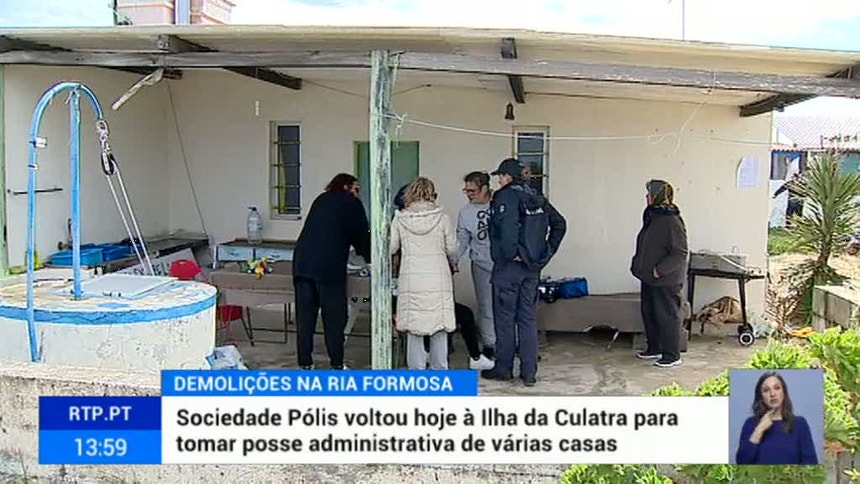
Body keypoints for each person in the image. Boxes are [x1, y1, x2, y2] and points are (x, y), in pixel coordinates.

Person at [481, 158, 566, 386]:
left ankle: (504, 368)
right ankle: (529, 372)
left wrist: (512, 254)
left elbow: (508, 230)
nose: (499, 180)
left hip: (509, 268)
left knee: (505, 320)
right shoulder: (536, 196)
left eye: (501, 176)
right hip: (531, 269)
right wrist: (543, 254)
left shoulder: (506, 196)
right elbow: (560, 224)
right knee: (527, 319)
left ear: (508, 177)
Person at [292, 173, 370, 370]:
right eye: (356, 188)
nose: (358, 192)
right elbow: (361, 236)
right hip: (329, 267)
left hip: (302, 264)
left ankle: (305, 363)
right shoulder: (352, 204)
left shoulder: (321, 199)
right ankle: (336, 364)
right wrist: (372, 258)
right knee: (334, 318)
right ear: (346, 187)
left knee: (305, 318)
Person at [390, 177, 458, 369]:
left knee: (414, 327)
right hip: (438, 278)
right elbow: (452, 249)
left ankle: (416, 371)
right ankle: (440, 370)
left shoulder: (400, 219)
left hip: (412, 278)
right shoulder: (443, 218)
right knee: (439, 326)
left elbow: (391, 247)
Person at [630, 179, 689, 368]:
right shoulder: (652, 215)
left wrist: (659, 270)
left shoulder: (671, 220)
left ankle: (671, 355)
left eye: (650, 194)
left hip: (665, 279)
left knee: (667, 316)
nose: (647, 196)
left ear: (658, 196)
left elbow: (680, 253)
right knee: (650, 314)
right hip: (649, 277)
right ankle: (654, 348)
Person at [454, 171, 496, 360]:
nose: (469, 194)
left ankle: (514, 343)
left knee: (509, 306)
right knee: (486, 307)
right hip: (481, 264)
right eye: (467, 191)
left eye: (473, 191)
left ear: (485, 188)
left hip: (506, 266)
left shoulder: (500, 203)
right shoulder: (465, 212)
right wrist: (453, 259)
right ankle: (489, 345)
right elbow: (462, 239)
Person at [735, 372, 819, 465]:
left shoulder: (799, 423)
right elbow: (741, 462)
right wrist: (759, 430)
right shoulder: (750, 423)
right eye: (766, 390)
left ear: (784, 392)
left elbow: (811, 462)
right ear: (761, 397)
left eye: (777, 388)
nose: (772, 394)